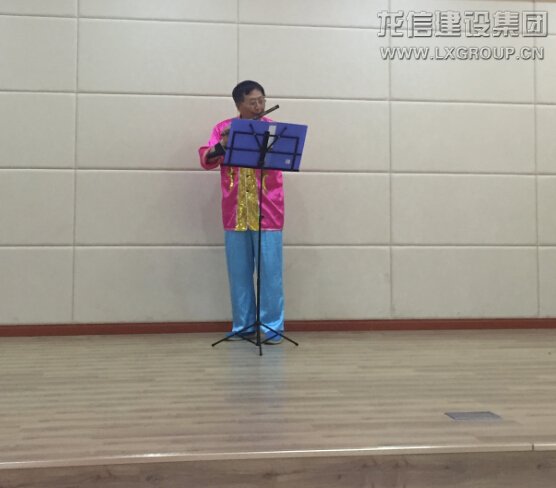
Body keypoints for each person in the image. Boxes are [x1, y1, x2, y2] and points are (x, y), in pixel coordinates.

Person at [198, 80, 285, 345]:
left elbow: (285, 159)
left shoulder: (274, 130)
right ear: (239, 105)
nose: (259, 106)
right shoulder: (223, 129)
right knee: (238, 273)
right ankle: (243, 325)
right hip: (235, 211)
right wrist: (223, 145)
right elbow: (206, 160)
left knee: (270, 273)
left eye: (261, 100)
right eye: (252, 102)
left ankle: (272, 327)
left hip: (268, 210)